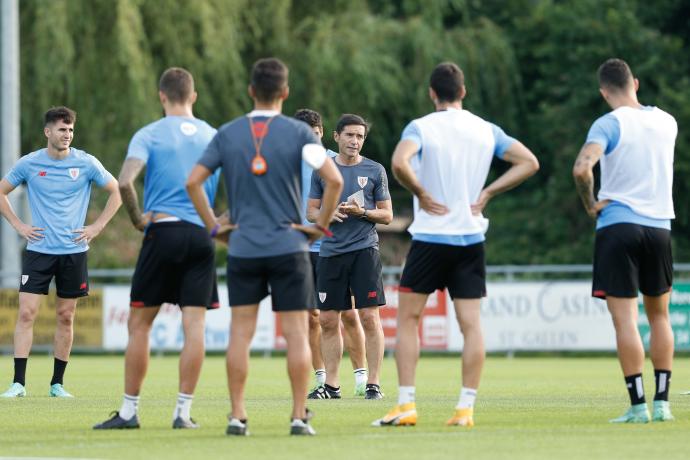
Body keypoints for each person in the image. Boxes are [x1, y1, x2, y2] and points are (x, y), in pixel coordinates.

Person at [373, 62, 539, 427]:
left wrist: (420, 192)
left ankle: (406, 405)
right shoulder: (486, 129)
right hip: (470, 238)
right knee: (471, 325)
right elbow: (529, 162)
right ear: (463, 92)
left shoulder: (421, 127)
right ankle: (465, 408)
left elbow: (399, 162)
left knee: (408, 320)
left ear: (432, 93)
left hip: (431, 237)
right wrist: (490, 192)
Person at [186, 57, 343, 436]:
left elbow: (193, 182)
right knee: (295, 334)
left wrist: (215, 230)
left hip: (243, 247)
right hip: (289, 246)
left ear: (251, 91)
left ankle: (238, 416)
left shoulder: (228, 133)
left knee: (240, 333)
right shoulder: (301, 134)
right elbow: (334, 181)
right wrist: (317, 228)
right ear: (285, 94)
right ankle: (297, 415)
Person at [93, 68, 221, 430]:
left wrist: (136, 220)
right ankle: (182, 413)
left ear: (162, 96)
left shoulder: (149, 133)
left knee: (140, 325)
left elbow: (124, 182)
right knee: (194, 325)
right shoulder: (213, 136)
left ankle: (130, 412)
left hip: (162, 232)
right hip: (201, 236)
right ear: (193, 96)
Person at [572, 58, 677, 423]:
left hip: (618, 226)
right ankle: (663, 404)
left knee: (626, 321)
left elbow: (582, 167)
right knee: (659, 317)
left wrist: (590, 204)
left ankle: (638, 406)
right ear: (636, 82)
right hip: (660, 226)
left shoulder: (608, 123)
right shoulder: (667, 121)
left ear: (604, 92)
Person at [0, 106, 121, 398]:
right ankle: (18, 384)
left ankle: (57, 384)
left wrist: (96, 227)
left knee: (66, 317)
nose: (67, 135)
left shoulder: (87, 163)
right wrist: (19, 226)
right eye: (61, 130)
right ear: (48, 132)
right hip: (39, 251)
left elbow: (117, 191)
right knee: (27, 313)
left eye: (70, 130)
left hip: (74, 253)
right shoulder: (29, 164)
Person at [307, 113, 392, 400]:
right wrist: (333, 214)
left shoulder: (375, 169)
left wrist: (363, 213)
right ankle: (331, 385)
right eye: (350, 135)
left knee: (368, 317)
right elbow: (311, 212)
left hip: (364, 250)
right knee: (328, 320)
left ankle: (374, 383)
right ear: (336, 137)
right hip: (330, 252)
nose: (355, 141)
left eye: (359, 136)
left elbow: (388, 215)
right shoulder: (322, 169)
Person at [293, 109, 368, 398]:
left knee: (348, 315)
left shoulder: (333, 161)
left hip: (332, 247)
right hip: (299, 248)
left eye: (314, 133)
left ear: (322, 133)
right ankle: (322, 378)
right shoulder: (283, 161)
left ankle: (362, 379)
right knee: (312, 318)